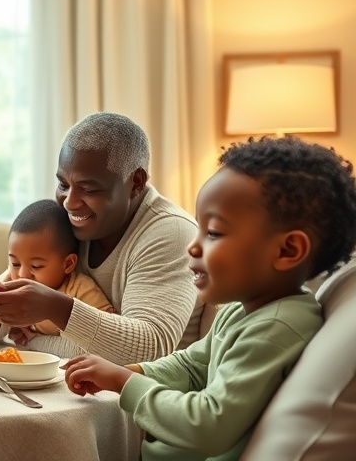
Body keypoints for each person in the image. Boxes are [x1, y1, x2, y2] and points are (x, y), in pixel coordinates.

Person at [62, 136, 356, 460]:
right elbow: (191, 366)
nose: (193, 246)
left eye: (213, 232)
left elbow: (209, 424)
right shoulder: (242, 310)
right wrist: (135, 372)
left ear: (287, 250)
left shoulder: (277, 327)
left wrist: (124, 382)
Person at [0, 112, 202, 364]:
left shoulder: (172, 233)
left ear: (135, 182)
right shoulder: (71, 221)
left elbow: (147, 349)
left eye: (88, 189)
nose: (70, 202)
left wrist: (50, 314)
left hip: (150, 388)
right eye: (63, 185)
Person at [0, 199, 116, 345]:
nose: (22, 274)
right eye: (15, 263)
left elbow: (108, 333)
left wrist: (35, 342)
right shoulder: (11, 280)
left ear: (68, 264)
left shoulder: (80, 289)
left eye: (36, 266)